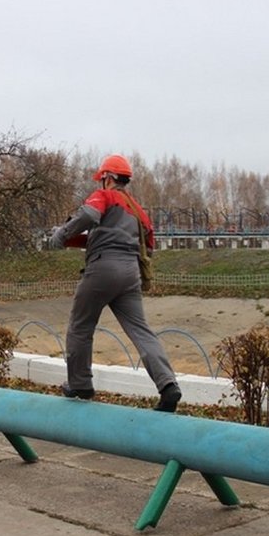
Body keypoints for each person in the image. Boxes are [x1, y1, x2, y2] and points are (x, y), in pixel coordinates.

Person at [48, 154, 182, 412]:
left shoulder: (106, 197)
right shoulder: (138, 211)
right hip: (130, 274)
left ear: (108, 178)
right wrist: (78, 240)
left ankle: (80, 384)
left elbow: (88, 214)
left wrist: (61, 234)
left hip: (102, 269)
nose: (101, 183)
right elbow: (148, 246)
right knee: (141, 331)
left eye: (102, 179)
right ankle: (168, 386)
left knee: (80, 326)